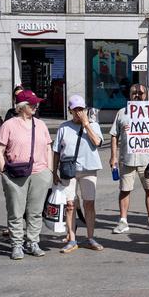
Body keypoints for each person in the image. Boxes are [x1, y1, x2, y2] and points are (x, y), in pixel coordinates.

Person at [0, 90, 54, 260]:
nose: (36, 105)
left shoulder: (40, 124)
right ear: (21, 107)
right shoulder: (9, 125)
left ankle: (33, 242)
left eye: (36, 103)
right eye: (32, 103)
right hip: (14, 174)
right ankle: (17, 245)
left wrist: (49, 170)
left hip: (40, 173)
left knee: (35, 212)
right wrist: (4, 171)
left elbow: (49, 147)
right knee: (16, 212)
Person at [53, 95, 104, 253]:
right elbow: (56, 151)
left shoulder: (93, 125)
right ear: (70, 110)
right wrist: (54, 171)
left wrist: (86, 124)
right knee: (70, 205)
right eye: (75, 110)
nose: (79, 112)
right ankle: (72, 238)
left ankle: (90, 237)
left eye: (81, 109)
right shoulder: (63, 127)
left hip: (89, 169)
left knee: (89, 203)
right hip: (69, 170)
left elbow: (97, 143)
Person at [109, 83, 149, 234]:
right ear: (129, 95)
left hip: (147, 159)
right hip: (127, 159)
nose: (137, 95)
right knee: (124, 190)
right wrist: (113, 156)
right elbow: (114, 134)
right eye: (134, 92)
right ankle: (123, 221)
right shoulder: (122, 113)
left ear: (146, 95)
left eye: (140, 93)